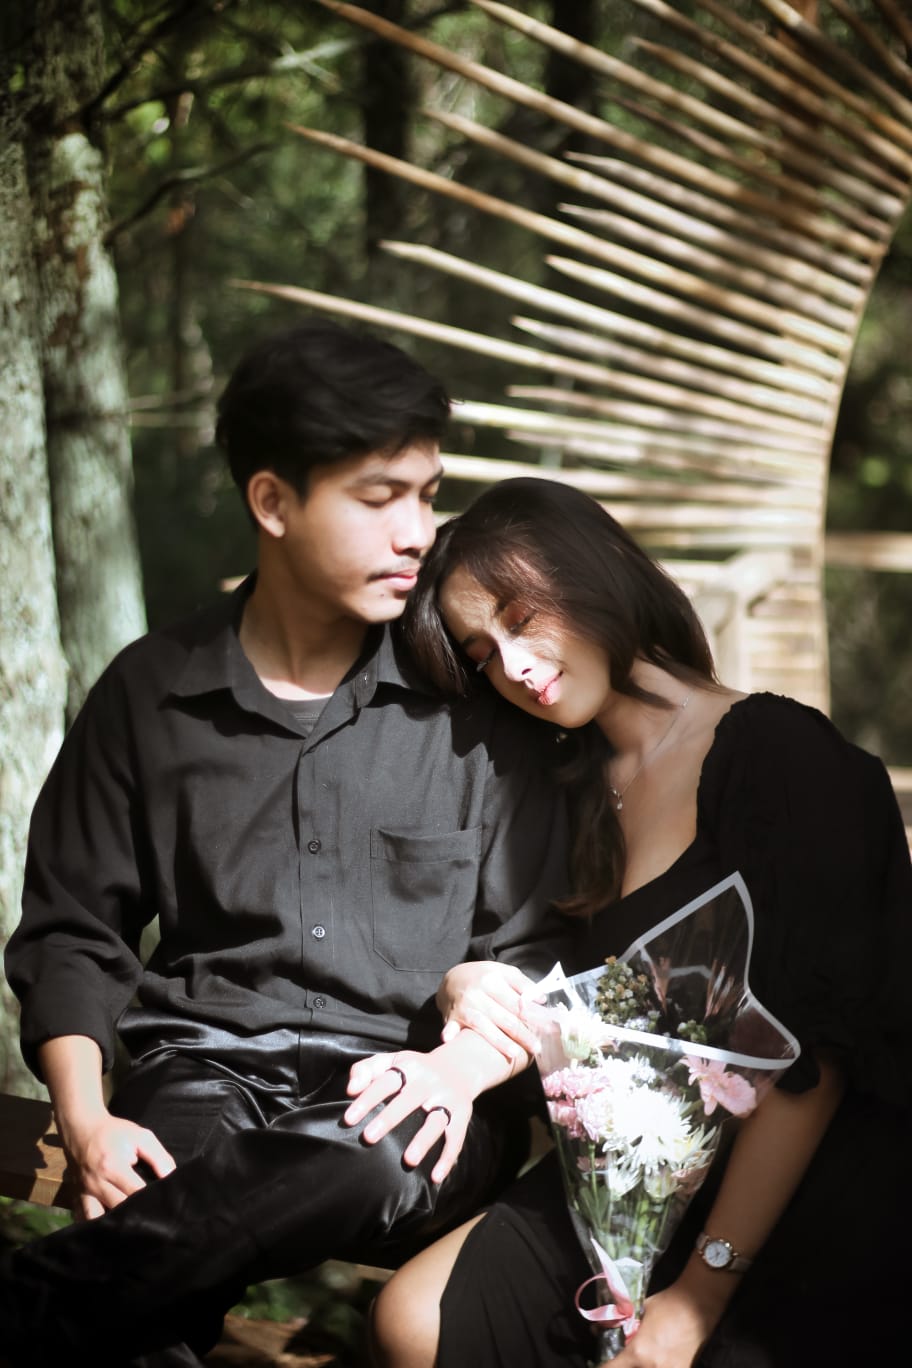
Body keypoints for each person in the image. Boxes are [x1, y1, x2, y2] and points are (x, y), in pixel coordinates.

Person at [0, 331, 568, 1367]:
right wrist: (85, 1121)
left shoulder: (477, 705)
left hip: (416, 1092)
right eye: (379, 497)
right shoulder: (149, 695)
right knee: (154, 1213)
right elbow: (73, 932)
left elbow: (533, 951)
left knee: (361, 1156)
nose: (417, 533)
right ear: (272, 502)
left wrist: (454, 1070)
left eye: (428, 494)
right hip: (201, 1070)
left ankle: (33, 1298)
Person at [368, 476, 912, 1368]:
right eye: (482, 652)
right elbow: (563, 993)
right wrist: (467, 983)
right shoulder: (563, 791)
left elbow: (818, 1061)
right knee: (413, 1317)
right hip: (632, 1170)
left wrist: (695, 1300)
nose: (514, 665)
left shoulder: (782, 756)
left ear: (597, 572)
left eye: (522, 617)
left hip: (803, 1183)